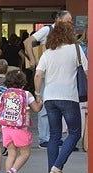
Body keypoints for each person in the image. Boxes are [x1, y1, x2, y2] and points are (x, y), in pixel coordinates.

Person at [34, 21, 88, 173]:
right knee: (74, 133)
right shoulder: (76, 49)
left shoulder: (47, 53)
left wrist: (38, 95)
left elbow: (38, 75)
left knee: (54, 136)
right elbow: (87, 72)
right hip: (68, 97)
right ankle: (57, 168)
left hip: (50, 97)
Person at [23, 10, 72, 149]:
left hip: (61, 73)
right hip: (46, 73)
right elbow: (28, 42)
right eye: (67, 21)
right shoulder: (47, 30)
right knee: (44, 104)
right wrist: (33, 59)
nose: (70, 24)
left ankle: (54, 136)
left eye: (70, 22)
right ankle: (45, 137)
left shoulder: (67, 34)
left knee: (59, 104)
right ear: (58, 20)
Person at [0, 70, 43, 173]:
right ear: (23, 82)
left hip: (6, 128)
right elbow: (36, 109)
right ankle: (13, 170)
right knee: (25, 153)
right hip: (20, 129)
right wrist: (40, 103)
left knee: (11, 154)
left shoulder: (4, 95)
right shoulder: (26, 94)